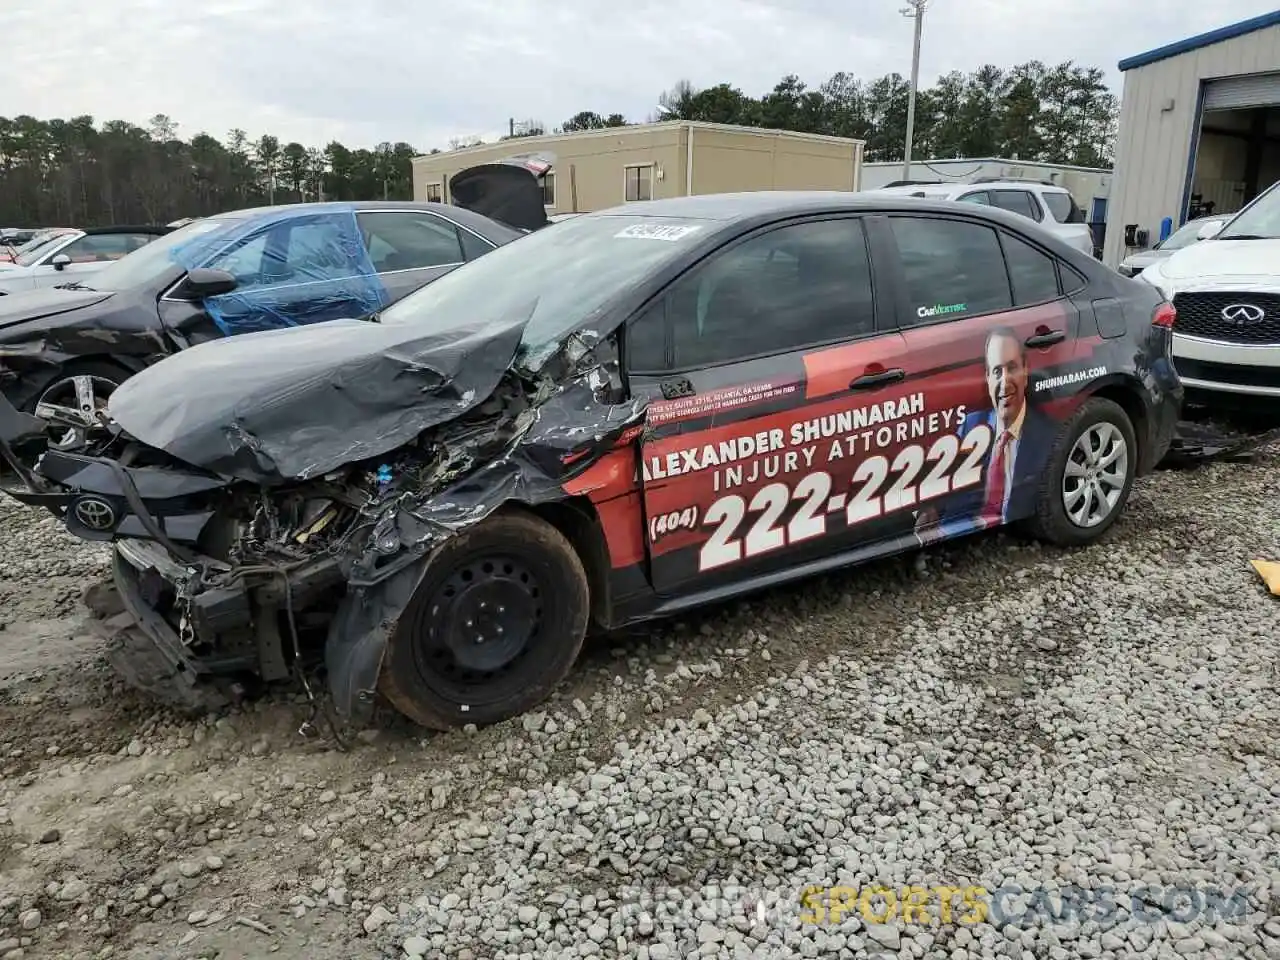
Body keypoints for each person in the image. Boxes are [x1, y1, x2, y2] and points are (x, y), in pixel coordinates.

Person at [915, 326, 1057, 543]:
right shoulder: (970, 426)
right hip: (957, 530)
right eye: (997, 371)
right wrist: (931, 508)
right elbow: (951, 484)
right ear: (988, 378)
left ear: (1026, 371)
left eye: (1012, 368)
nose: (1005, 381)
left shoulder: (1048, 436)